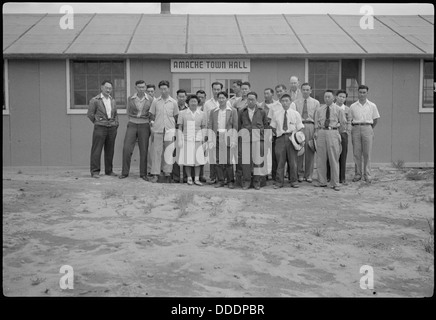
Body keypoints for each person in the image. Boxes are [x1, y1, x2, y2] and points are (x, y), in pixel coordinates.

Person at [313, 90, 347, 191]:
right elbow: (316, 122)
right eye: (325, 97)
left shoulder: (338, 109)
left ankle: (335, 182)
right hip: (322, 132)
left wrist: (336, 132)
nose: (327, 98)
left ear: (333, 98)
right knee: (321, 158)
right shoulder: (319, 110)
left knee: (333, 158)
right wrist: (316, 132)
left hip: (333, 132)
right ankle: (322, 181)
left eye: (329, 97)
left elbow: (343, 123)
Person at [119, 80, 153, 180]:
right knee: (126, 148)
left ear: (145, 88)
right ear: (136, 88)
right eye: (139, 87)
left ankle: (143, 174)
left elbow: (152, 113)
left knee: (144, 149)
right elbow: (128, 111)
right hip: (132, 124)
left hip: (144, 125)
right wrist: (133, 119)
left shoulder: (150, 99)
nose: (141, 89)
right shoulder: (131, 98)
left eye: (143, 87)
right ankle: (125, 172)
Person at [270, 94, 304, 188]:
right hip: (280, 138)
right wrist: (278, 134)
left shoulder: (295, 113)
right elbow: (272, 126)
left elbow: (300, 127)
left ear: (290, 102)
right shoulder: (276, 113)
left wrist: (299, 139)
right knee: (280, 161)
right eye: (283, 101)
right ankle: (279, 181)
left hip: (291, 138)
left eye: (287, 101)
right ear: (280, 102)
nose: (285, 103)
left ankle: (294, 180)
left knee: (293, 161)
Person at [87, 80, 119, 178]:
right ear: (102, 88)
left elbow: (115, 114)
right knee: (97, 150)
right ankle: (95, 172)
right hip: (100, 127)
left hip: (112, 128)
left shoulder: (112, 100)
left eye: (110, 88)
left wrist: (116, 124)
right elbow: (90, 114)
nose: (108, 90)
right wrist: (98, 122)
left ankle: (109, 171)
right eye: (106, 88)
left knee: (110, 150)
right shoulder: (95, 100)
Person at [149, 80, 179, 183]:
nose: (163, 91)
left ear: (169, 89)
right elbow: (152, 114)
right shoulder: (155, 101)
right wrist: (153, 125)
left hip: (170, 130)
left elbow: (176, 116)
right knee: (156, 152)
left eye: (165, 88)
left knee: (169, 152)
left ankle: (167, 173)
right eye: (161, 89)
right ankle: (155, 174)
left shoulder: (174, 102)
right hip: (158, 130)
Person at [349, 85, 380, 183]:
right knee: (357, 153)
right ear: (357, 93)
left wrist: (369, 128)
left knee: (367, 153)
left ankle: (367, 175)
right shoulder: (353, 106)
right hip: (356, 128)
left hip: (367, 127)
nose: (362, 94)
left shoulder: (372, 105)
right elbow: (350, 119)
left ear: (367, 93)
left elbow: (375, 119)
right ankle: (358, 174)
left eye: (364, 92)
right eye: (360, 92)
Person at [238, 91, 269, 190]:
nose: (250, 101)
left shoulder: (262, 111)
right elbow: (239, 126)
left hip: (258, 139)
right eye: (249, 99)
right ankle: (246, 181)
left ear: (256, 100)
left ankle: (257, 182)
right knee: (246, 162)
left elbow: (265, 126)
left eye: (253, 99)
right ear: (246, 100)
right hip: (246, 140)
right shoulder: (242, 112)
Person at [208, 91, 238, 189]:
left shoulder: (232, 110)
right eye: (219, 98)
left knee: (228, 160)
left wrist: (234, 139)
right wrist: (211, 140)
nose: (221, 100)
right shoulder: (213, 111)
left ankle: (230, 181)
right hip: (217, 136)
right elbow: (210, 125)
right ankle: (220, 180)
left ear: (226, 99)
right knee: (218, 160)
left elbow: (235, 126)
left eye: (223, 98)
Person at [203, 82, 231, 184]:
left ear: (221, 90)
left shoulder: (228, 104)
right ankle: (214, 177)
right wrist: (208, 134)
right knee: (213, 157)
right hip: (214, 133)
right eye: (214, 89)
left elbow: (230, 121)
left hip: (225, 135)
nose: (216, 91)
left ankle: (225, 178)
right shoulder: (207, 104)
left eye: (218, 89)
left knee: (225, 158)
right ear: (212, 90)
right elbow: (208, 121)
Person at [177, 95, 206, 186]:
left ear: (198, 103)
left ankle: (196, 178)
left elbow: (204, 127)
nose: (193, 103)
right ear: (188, 102)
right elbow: (180, 126)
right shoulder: (182, 113)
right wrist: (180, 139)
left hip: (198, 139)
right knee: (188, 160)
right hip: (186, 139)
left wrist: (204, 140)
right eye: (191, 101)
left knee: (198, 160)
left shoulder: (202, 114)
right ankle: (189, 178)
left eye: (195, 101)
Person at [294, 83, 320, 183]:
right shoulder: (296, 103)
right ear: (301, 90)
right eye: (303, 89)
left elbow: (317, 118)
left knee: (310, 150)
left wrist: (316, 130)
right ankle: (300, 174)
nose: (305, 91)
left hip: (310, 125)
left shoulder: (315, 102)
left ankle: (309, 175)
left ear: (310, 91)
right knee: (299, 150)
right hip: (300, 126)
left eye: (307, 89)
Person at [327, 89, 351, 184]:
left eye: (344, 97)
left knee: (343, 155)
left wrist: (347, 130)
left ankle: (342, 178)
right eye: (340, 96)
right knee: (330, 155)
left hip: (343, 134)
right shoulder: (331, 107)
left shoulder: (348, 109)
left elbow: (349, 121)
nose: (342, 98)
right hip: (332, 133)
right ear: (336, 97)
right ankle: (329, 176)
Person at [260, 88, 282, 181]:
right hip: (263, 132)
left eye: (268, 93)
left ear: (272, 94)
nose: (266, 95)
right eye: (264, 93)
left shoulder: (277, 105)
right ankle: (264, 174)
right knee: (263, 154)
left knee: (274, 154)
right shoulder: (260, 105)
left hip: (274, 132)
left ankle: (274, 175)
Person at [172, 89, 189, 183]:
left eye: (183, 96)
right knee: (175, 154)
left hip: (186, 134)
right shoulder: (174, 107)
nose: (181, 98)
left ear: (186, 97)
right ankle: (176, 176)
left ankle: (186, 177)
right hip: (175, 133)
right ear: (177, 97)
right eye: (180, 96)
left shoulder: (189, 108)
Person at [195, 89, 207, 183]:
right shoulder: (192, 106)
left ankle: (201, 175)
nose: (200, 98)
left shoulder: (206, 107)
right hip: (193, 134)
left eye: (202, 97)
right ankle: (191, 176)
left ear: (205, 98)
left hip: (205, 133)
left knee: (202, 155)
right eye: (198, 96)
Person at [146, 84, 156, 176]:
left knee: (155, 149)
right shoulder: (144, 102)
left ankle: (157, 168)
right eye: (148, 91)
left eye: (151, 91)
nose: (150, 93)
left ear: (154, 92)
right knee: (148, 149)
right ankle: (149, 169)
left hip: (156, 128)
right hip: (146, 127)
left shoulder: (157, 102)